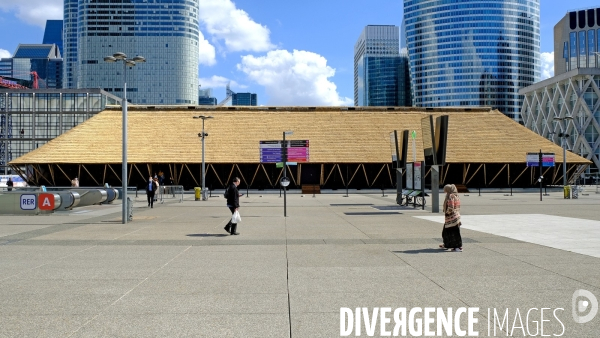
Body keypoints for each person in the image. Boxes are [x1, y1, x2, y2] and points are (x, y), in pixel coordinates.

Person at [440, 184, 463, 252]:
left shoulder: (450, 196)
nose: (444, 191)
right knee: (446, 232)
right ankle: (447, 244)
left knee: (453, 233)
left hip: (451, 218)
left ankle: (458, 247)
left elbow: (451, 207)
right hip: (456, 217)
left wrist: (447, 213)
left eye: (445, 190)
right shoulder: (456, 196)